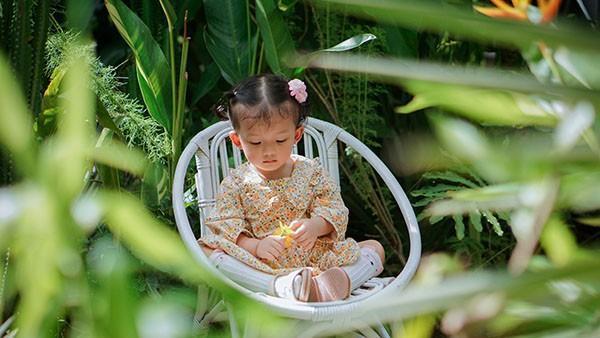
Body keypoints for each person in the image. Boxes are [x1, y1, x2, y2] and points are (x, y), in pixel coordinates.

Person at [199, 74, 385, 302]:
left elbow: (334, 208)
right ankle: (282, 286)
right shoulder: (236, 183)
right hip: (262, 264)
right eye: (256, 143)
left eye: (280, 141)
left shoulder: (311, 171)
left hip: (315, 258)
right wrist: (256, 246)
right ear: (237, 141)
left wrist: (316, 226)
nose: (269, 151)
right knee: (207, 251)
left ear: (296, 135)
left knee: (374, 248)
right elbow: (227, 227)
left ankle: (334, 283)